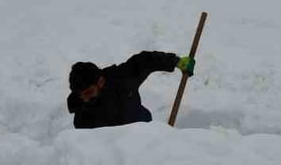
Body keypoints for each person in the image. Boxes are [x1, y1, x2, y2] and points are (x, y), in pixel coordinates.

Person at [67, 51, 195, 129]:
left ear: (100, 82)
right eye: (80, 96)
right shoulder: (82, 116)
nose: (85, 99)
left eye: (88, 92)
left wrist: (175, 61)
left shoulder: (122, 78)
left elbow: (145, 60)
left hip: (144, 133)